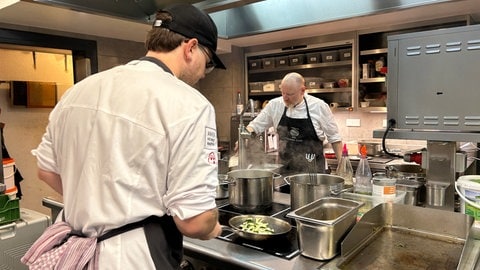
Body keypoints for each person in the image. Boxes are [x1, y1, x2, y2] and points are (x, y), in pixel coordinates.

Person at [23, 3, 225, 270]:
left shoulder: (78, 91)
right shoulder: (190, 104)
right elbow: (194, 221)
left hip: (74, 254)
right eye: (207, 63)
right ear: (190, 48)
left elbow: (46, 171)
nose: (202, 74)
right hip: (133, 258)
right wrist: (214, 228)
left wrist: (97, 201)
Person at [246, 72, 343, 174]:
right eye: (283, 93)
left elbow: (335, 138)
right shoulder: (274, 105)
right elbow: (255, 126)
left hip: (313, 173)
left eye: (289, 94)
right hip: (285, 172)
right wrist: (244, 136)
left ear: (302, 91)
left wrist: (342, 164)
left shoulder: (319, 106)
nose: (285, 98)